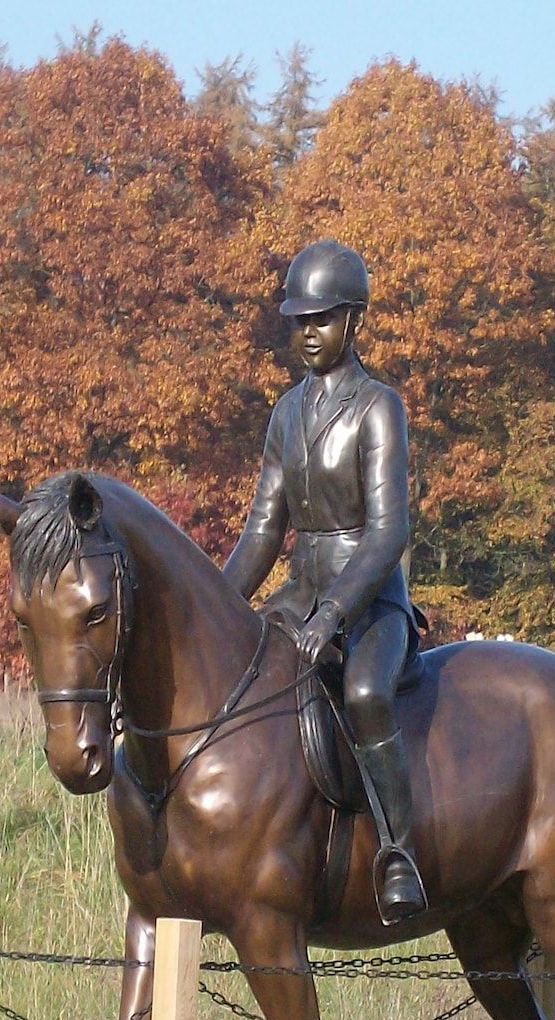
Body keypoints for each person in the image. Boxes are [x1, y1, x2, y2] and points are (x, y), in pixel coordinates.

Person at [225, 238, 427, 923]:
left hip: (369, 601)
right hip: (297, 597)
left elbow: (388, 532)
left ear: (352, 320)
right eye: (298, 321)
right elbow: (261, 531)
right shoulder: (286, 413)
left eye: (321, 319)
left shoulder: (379, 408)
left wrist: (336, 611)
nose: (307, 332)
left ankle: (399, 852)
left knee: (367, 693)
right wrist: (219, 609)